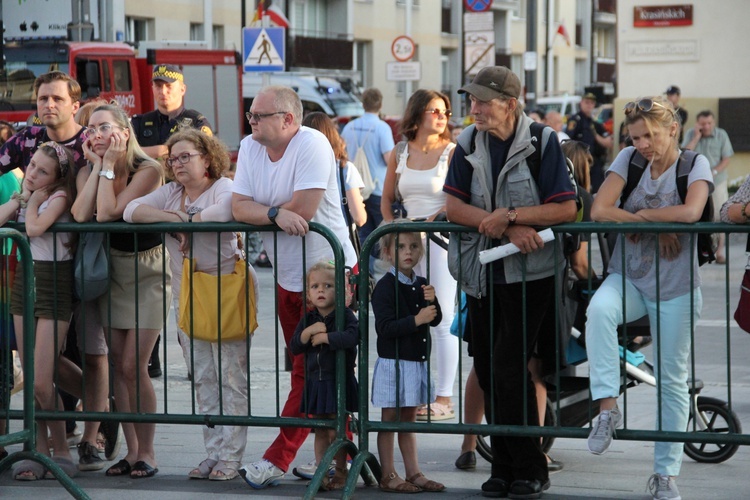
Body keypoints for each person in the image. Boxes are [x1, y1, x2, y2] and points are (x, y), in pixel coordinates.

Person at [444, 65, 578, 499]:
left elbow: (565, 209)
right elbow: (453, 208)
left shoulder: (542, 141)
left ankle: (531, 466)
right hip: (481, 272)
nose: (474, 108)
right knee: (486, 367)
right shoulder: (466, 142)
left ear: (510, 104)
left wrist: (514, 216)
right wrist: (501, 227)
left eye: (483, 100)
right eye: (471, 100)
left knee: (508, 365)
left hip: (531, 275)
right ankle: (503, 466)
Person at [585, 96, 712, 500]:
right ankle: (607, 409)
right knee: (599, 309)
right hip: (630, 277)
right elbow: (600, 209)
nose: (641, 144)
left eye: (649, 135)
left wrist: (642, 221)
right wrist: (655, 223)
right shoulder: (628, 159)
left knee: (672, 382)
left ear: (672, 129)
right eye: (635, 136)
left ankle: (664, 475)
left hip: (675, 287)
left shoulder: (694, 164)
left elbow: (692, 212)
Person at [231, 85, 357, 489]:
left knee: (314, 373)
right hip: (288, 277)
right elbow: (238, 207)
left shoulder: (312, 143)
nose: (250, 123)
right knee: (313, 371)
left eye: (258, 116)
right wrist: (273, 213)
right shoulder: (251, 147)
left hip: (329, 274)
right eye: (250, 115)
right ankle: (339, 459)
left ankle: (277, 458)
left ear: (288, 119)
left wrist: (265, 211)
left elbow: (304, 209)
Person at [124, 128, 257, 481]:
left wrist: (190, 222)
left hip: (226, 292)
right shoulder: (170, 192)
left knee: (232, 378)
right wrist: (178, 219)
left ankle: (231, 457)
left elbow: (225, 212)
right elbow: (131, 211)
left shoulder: (223, 186)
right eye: (173, 158)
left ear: (207, 159)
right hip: (188, 296)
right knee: (203, 378)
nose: (178, 164)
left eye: (186, 157)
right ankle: (213, 453)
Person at [71, 103, 167, 479]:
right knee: (117, 366)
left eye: (104, 126)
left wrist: (106, 167)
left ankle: (149, 451)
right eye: (90, 129)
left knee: (133, 365)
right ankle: (130, 451)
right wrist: (97, 167)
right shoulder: (88, 171)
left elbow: (109, 213)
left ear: (125, 132)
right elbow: (82, 215)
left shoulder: (149, 170)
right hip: (112, 269)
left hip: (148, 270)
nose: (95, 134)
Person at [131, 63, 213, 379]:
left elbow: (205, 153)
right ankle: (149, 359)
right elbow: (128, 155)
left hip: (185, 219)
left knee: (186, 297)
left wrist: (148, 153)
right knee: (149, 295)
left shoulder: (196, 121)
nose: (163, 92)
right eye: (158, 86)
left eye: (169, 85)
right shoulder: (142, 121)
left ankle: (194, 362)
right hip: (152, 217)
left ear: (182, 88)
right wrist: (163, 149)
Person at [380, 89, 458, 421]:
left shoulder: (452, 152)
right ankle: (415, 394)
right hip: (407, 240)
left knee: (440, 317)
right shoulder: (400, 152)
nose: (442, 117)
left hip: (440, 240)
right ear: (417, 114)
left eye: (445, 112)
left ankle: (444, 396)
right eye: (435, 111)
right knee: (408, 315)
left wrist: (437, 217)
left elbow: (456, 198)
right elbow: (385, 199)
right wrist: (390, 227)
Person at [6, 142, 78, 480]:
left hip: (53, 283)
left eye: (42, 170)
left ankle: (61, 449)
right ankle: (37, 449)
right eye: (32, 165)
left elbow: (34, 228)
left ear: (58, 177)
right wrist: (17, 200)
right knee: (34, 377)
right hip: (25, 282)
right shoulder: (25, 191)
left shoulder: (59, 197)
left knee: (42, 380)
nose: (33, 173)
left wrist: (31, 200)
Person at [370, 223, 444, 494]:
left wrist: (433, 303)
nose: (408, 252)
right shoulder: (385, 286)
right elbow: (385, 327)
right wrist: (416, 320)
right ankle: (388, 473)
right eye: (401, 247)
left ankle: (414, 471)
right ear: (389, 252)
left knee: (409, 419)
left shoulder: (422, 284)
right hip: (394, 362)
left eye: (413, 246)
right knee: (389, 418)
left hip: (416, 362)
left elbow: (435, 321)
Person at [289, 261, 359, 491]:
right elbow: (295, 346)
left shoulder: (345, 315)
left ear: (340, 291)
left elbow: (352, 337)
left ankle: (341, 469)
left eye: (328, 286)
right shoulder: (309, 319)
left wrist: (327, 338)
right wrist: (307, 333)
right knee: (320, 428)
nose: (321, 290)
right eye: (315, 286)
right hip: (316, 382)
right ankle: (321, 471)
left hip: (338, 381)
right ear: (308, 293)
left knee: (337, 429)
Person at [340, 88, 395, 272]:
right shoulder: (382, 128)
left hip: (355, 188)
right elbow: (389, 158)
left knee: (363, 234)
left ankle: (365, 270)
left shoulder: (349, 127)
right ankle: (383, 270)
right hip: (378, 187)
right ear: (380, 104)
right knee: (383, 233)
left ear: (362, 104)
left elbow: (343, 154)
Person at [682, 110, 734, 263]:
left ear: (714, 122)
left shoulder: (721, 134)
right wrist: (696, 137)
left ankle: (720, 252)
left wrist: (715, 171)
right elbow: (684, 154)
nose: (706, 126)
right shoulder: (692, 133)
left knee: (719, 216)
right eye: (703, 124)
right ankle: (700, 250)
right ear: (698, 123)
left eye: (709, 123)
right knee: (696, 215)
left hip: (717, 181)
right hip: (695, 183)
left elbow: (726, 158)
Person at [566, 92, 613, 193]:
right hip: (579, 162)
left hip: (595, 162)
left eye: (591, 103)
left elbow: (608, 143)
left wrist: (595, 135)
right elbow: (568, 140)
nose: (589, 105)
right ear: (581, 103)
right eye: (586, 102)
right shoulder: (575, 120)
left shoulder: (595, 123)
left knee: (598, 191)